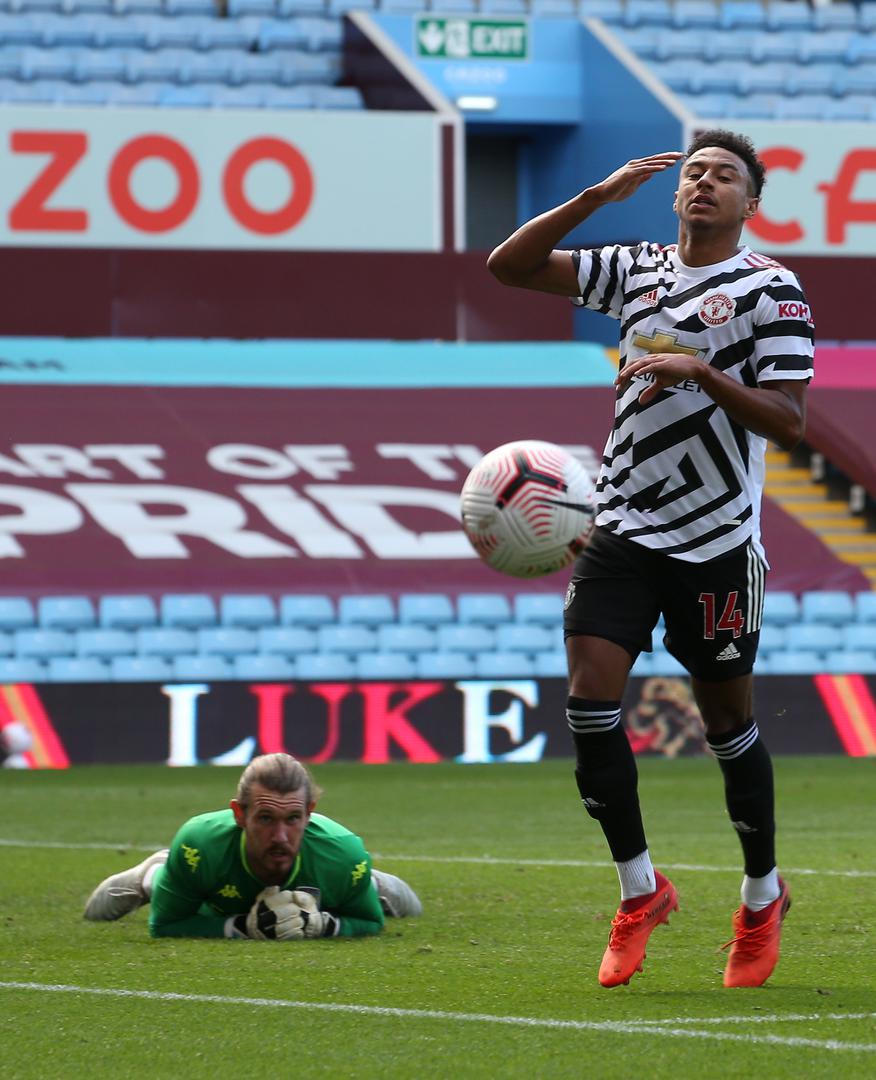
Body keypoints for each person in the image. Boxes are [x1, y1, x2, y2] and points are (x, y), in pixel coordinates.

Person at [488, 129, 813, 989]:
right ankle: (641, 890)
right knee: (589, 706)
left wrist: (701, 373)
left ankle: (760, 894)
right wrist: (595, 195)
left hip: (717, 545)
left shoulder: (771, 290)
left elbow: (788, 421)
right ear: (675, 194)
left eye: (725, 177)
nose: (704, 183)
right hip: (624, 531)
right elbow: (509, 267)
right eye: (694, 173)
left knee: (727, 730)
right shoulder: (635, 267)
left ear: (752, 203)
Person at [84, 752, 422, 939]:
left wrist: (328, 925)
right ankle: (154, 871)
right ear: (239, 814)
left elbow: (372, 923)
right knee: (104, 910)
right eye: (265, 819)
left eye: (293, 819)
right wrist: (240, 928)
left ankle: (368, 881)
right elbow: (164, 926)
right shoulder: (199, 846)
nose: (279, 836)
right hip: (204, 883)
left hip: (337, 866)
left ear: (309, 815)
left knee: (406, 905)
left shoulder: (343, 852)